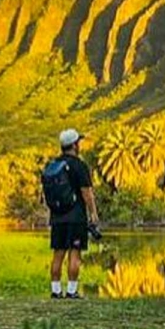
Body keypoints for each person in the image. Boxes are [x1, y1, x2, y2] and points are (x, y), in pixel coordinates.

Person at [40, 127, 100, 299]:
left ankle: (56, 290)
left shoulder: (53, 165)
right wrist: (93, 214)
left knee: (58, 253)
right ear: (74, 145)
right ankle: (72, 291)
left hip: (57, 217)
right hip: (76, 217)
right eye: (78, 142)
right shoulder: (79, 166)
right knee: (75, 252)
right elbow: (86, 193)